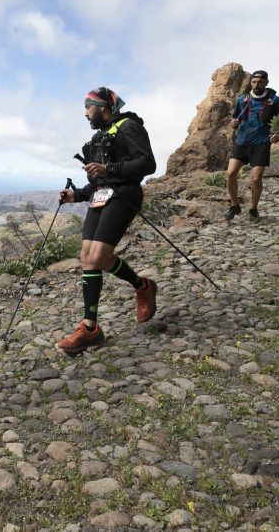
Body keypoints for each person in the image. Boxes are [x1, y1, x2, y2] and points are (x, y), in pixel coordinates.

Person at [57, 87, 158, 355]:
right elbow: (99, 181)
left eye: (88, 107)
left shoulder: (129, 127)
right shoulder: (98, 138)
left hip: (124, 195)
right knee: (88, 257)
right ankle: (92, 327)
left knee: (100, 255)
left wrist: (109, 169)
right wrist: (75, 195)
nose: (86, 112)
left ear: (103, 106)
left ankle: (141, 288)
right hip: (101, 196)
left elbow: (148, 164)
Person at [225, 70, 279, 223]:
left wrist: (278, 133)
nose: (256, 84)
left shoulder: (275, 100)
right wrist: (234, 123)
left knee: (256, 179)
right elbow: (235, 119)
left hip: (261, 142)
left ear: (266, 83)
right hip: (242, 140)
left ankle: (253, 209)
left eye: (260, 82)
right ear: (250, 82)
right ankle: (234, 205)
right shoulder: (242, 99)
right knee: (231, 173)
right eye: (254, 81)